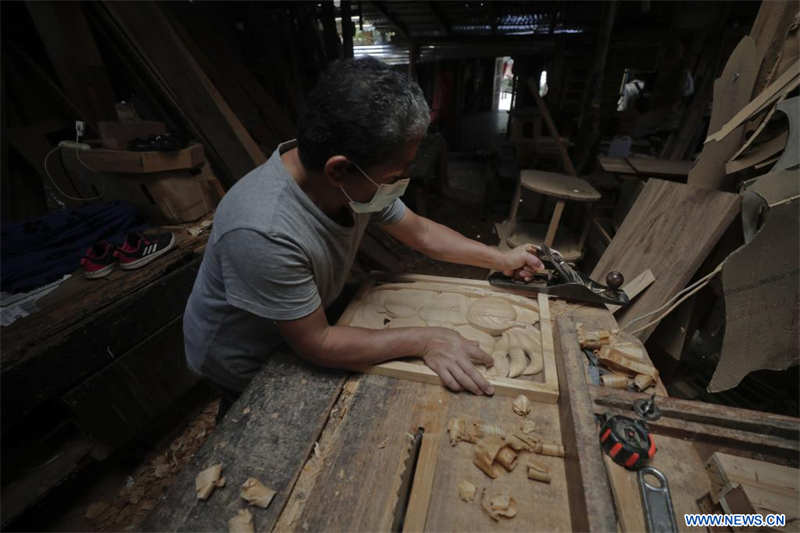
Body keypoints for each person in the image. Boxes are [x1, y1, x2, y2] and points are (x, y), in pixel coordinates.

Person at [183, 57, 543, 409]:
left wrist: (501, 258)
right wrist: (428, 339)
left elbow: (421, 233)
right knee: (261, 426)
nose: (399, 185)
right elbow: (318, 343)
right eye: (391, 178)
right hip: (248, 352)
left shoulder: (353, 183)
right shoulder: (263, 230)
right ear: (338, 170)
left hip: (305, 317)